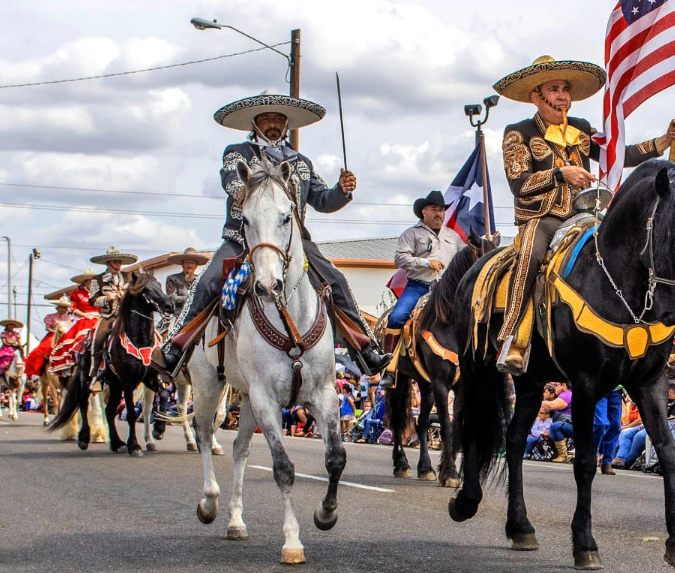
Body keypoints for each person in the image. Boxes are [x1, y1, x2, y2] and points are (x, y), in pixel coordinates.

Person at [154, 92, 391, 377]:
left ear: (287, 123)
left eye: (278, 118)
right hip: (243, 237)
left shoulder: (301, 162)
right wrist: (253, 190)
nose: (272, 123)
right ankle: (174, 348)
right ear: (254, 124)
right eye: (265, 118)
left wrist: (342, 191)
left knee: (338, 280)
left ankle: (365, 349)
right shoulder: (237, 153)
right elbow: (231, 183)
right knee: (205, 283)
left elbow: (323, 200)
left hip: (293, 242)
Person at [492, 56, 675, 374]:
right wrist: (560, 173)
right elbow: (519, 184)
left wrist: (663, 141)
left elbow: (618, 153)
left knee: (629, 251)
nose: (563, 96)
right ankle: (513, 339)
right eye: (554, 89)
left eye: (565, 89)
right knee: (529, 254)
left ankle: (664, 338)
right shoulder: (518, 133)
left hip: (585, 216)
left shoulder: (581, 128)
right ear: (536, 96)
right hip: (542, 220)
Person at [382, 190, 463, 387]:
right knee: (397, 317)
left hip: (447, 290)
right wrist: (426, 263)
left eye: (442, 210)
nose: (439, 214)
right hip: (418, 286)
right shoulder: (411, 234)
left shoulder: (452, 236)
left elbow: (465, 257)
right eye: (434, 209)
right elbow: (399, 258)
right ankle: (389, 367)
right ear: (424, 212)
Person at [86, 246, 138, 379]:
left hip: (125, 316)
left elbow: (134, 294)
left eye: (119, 262)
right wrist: (106, 298)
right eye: (115, 262)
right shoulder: (97, 279)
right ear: (108, 263)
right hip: (108, 316)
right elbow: (92, 300)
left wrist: (126, 296)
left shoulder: (128, 277)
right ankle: (95, 368)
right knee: (98, 338)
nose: (118, 264)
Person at [164, 248, 210, 319]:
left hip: (197, 316)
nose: (190, 265)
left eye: (192, 263)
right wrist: (193, 298)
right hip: (178, 317)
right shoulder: (172, 279)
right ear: (182, 264)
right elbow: (173, 298)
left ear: (196, 265)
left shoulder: (201, 280)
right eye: (187, 262)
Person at [542, 380, 574, 462]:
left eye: (557, 385)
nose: (555, 388)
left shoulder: (566, 395)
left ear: (563, 385)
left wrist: (535, 402)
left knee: (555, 427)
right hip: (574, 424)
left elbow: (552, 405)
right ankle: (560, 453)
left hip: (573, 425)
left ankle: (562, 455)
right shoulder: (570, 394)